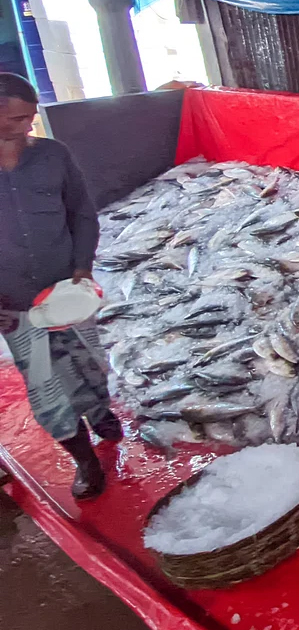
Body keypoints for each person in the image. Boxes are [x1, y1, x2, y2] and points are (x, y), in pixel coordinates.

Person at [0, 73, 118, 500]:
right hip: (13, 305)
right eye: (16, 119)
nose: (27, 127)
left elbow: (82, 214)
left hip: (66, 291)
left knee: (91, 364)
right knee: (47, 385)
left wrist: (83, 268)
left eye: (30, 117)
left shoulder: (53, 155)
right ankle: (84, 459)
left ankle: (101, 413)